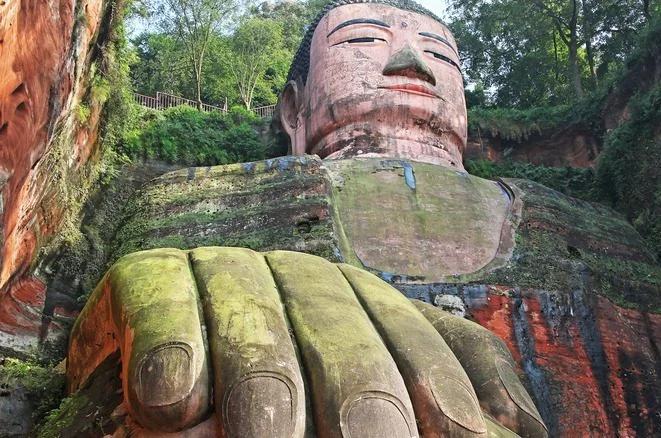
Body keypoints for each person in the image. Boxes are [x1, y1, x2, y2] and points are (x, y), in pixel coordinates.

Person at [65, 2, 548, 437]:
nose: (412, 64)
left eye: (441, 56)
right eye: (363, 39)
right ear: (294, 109)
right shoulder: (202, 196)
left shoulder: (567, 224)